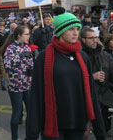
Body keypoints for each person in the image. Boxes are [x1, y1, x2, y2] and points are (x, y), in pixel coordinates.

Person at [26, 11, 106, 140]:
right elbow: (36, 95)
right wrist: (32, 134)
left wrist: (100, 132)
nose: (75, 33)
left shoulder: (83, 57)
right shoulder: (44, 57)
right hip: (53, 125)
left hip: (77, 123)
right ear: (61, 31)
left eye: (77, 29)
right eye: (70, 29)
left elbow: (91, 93)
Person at [80, 28, 113, 135]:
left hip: (103, 96)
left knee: (102, 131)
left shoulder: (104, 55)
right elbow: (72, 79)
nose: (95, 40)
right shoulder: (78, 56)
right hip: (84, 99)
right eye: (91, 38)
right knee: (84, 133)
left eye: (96, 37)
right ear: (83, 40)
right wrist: (91, 77)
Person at [3, 25, 34, 140]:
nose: (28, 36)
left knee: (31, 113)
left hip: (28, 84)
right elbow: (8, 66)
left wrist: (32, 68)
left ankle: (29, 136)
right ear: (19, 36)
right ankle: (14, 137)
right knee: (17, 113)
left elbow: (30, 65)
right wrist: (20, 56)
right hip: (16, 85)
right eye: (26, 34)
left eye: (29, 34)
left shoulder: (27, 48)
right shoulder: (11, 48)